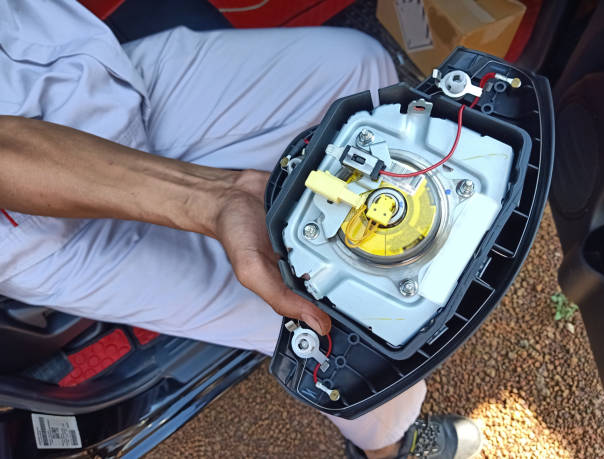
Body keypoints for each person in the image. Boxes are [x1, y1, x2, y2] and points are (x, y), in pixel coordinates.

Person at [0, 1, 482, 457]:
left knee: (359, 70)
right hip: (44, 219)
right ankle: (387, 445)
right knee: (344, 333)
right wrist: (214, 196)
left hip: (83, 73)